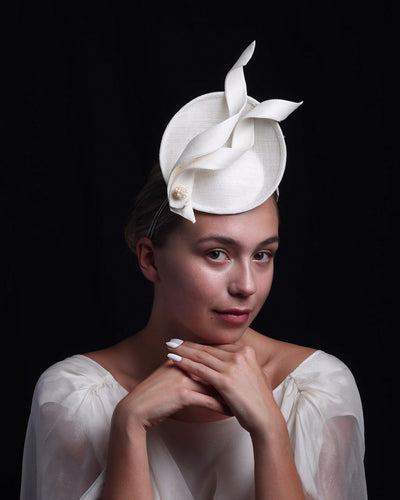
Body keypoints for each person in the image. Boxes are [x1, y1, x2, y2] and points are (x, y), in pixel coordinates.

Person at [20, 42, 367, 500]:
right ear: (150, 259)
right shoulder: (72, 399)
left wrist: (270, 431)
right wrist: (128, 426)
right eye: (217, 254)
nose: (246, 286)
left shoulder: (318, 390)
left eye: (262, 254)